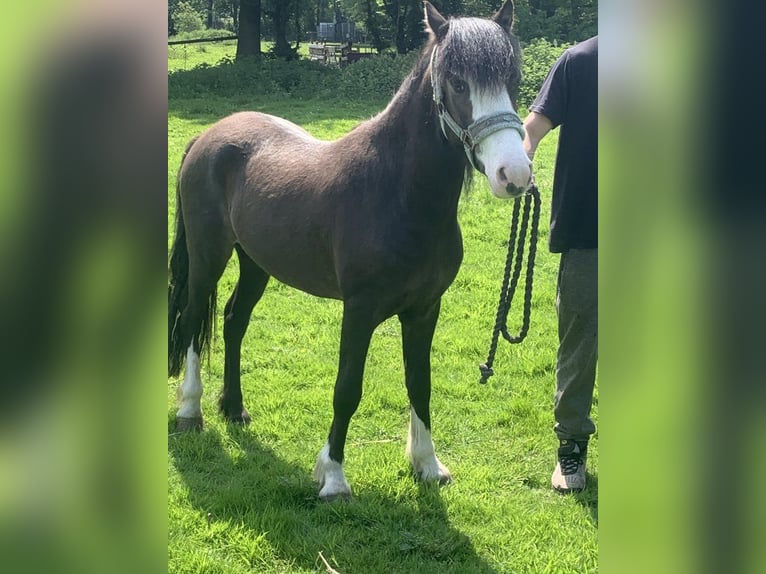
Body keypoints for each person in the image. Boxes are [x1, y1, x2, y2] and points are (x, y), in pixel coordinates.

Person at [522, 36, 598, 493]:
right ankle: (571, 446)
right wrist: (522, 155)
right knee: (580, 342)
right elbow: (535, 124)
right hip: (589, 231)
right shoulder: (580, 61)